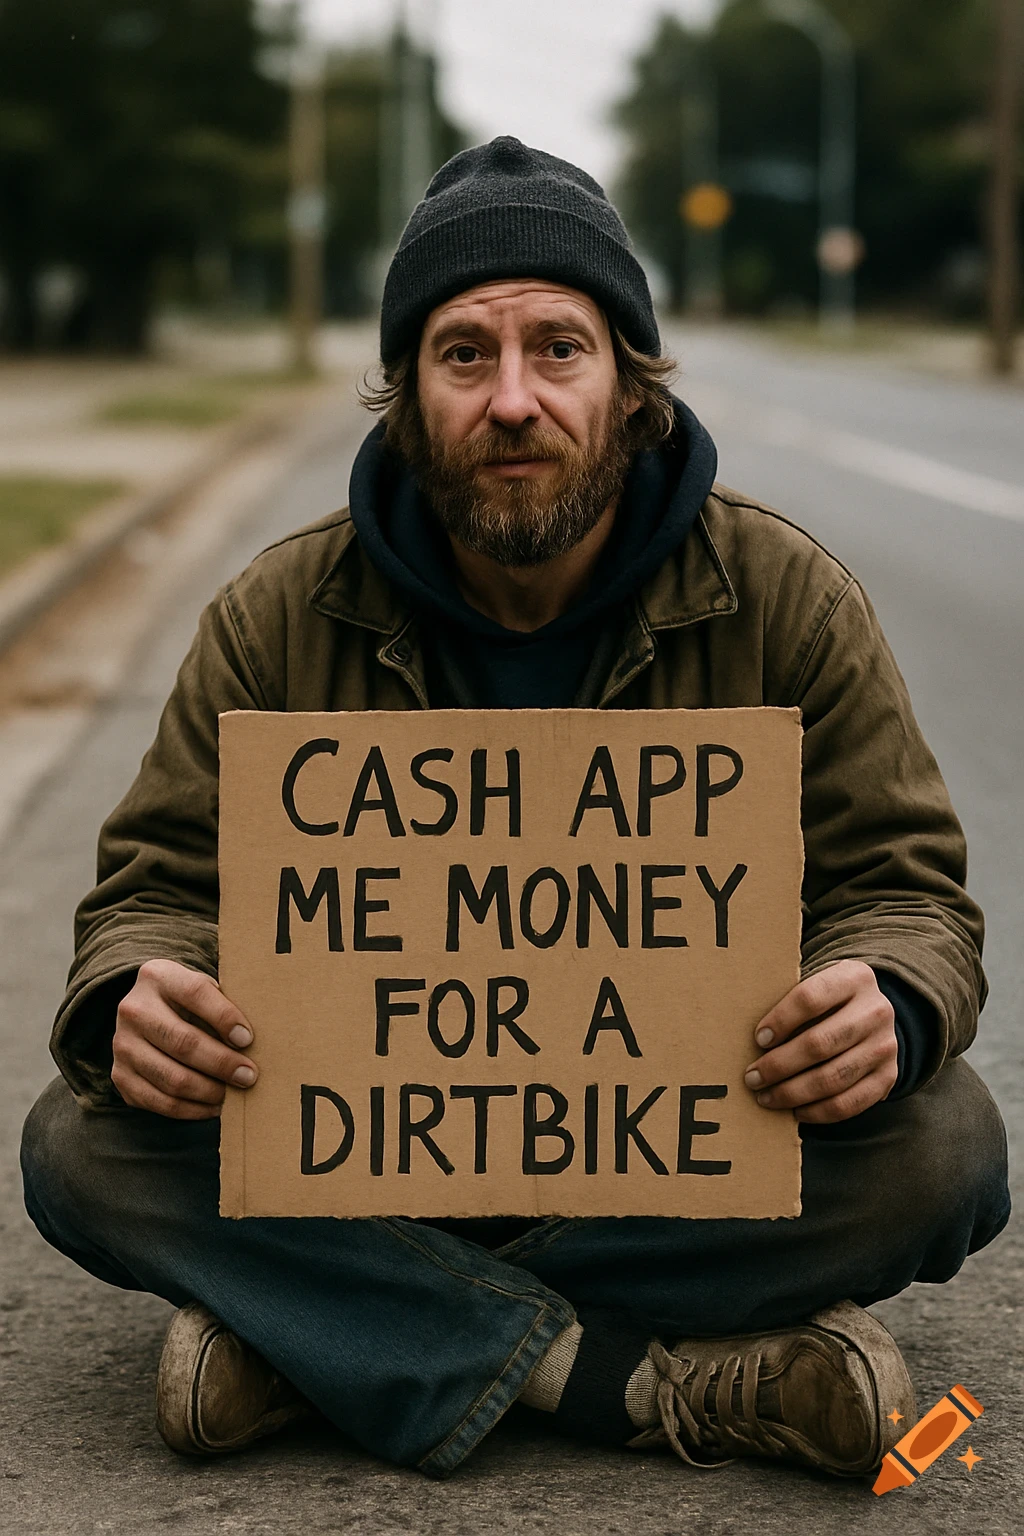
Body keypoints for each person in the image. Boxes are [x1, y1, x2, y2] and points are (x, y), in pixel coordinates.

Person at [21, 137, 1009, 1481]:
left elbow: (908, 886)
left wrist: (883, 996)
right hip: (366, 1156)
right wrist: (145, 991)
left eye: (559, 348)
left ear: (629, 385)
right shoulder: (274, 614)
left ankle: (328, 1335)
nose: (513, 401)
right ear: (408, 397)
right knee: (83, 1145)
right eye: (463, 356)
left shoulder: (785, 597)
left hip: (667, 1157)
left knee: (944, 1147)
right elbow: (154, 890)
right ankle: (638, 1384)